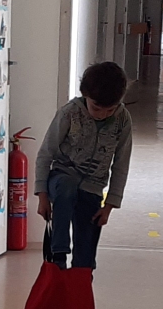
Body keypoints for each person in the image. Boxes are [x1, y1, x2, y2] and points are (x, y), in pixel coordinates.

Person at [33, 60, 133, 270]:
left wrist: (109, 206)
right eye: (96, 108)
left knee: (86, 252)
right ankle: (59, 254)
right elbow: (45, 153)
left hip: (93, 187)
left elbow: (121, 164)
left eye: (110, 110)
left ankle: (82, 279)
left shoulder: (123, 119)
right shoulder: (69, 113)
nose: (102, 114)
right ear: (85, 95)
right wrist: (42, 195)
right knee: (67, 186)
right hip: (62, 177)